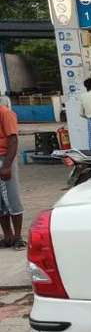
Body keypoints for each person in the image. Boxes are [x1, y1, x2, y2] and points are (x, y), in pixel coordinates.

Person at [0, 97, 25, 250]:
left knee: (12, 198)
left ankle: (18, 237)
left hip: (5, 159)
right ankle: (7, 236)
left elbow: (13, 139)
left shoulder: (5, 113)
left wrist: (7, 165)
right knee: (0, 203)